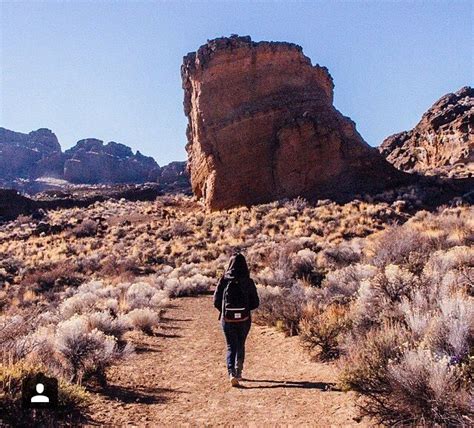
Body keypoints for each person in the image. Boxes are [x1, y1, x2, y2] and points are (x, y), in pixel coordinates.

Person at [214, 252, 259, 387]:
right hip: (244, 319)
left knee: (230, 346)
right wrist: (245, 310)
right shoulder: (248, 281)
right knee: (241, 344)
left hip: (227, 319)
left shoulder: (224, 280)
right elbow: (255, 303)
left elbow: (216, 301)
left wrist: (224, 311)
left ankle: (231, 373)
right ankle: (239, 370)